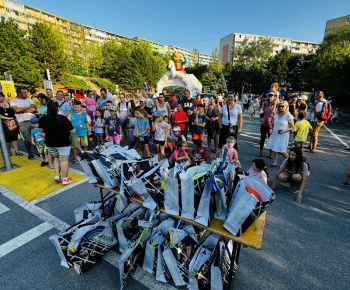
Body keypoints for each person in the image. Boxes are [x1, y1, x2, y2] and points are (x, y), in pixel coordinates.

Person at [39, 100, 76, 185]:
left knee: (56, 157)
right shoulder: (63, 118)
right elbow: (71, 129)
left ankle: (57, 175)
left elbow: (41, 130)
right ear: (57, 108)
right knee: (63, 160)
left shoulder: (43, 119)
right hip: (63, 142)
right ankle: (65, 178)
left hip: (50, 143)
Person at [265, 101, 294, 167]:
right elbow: (272, 124)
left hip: (283, 134)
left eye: (282, 106)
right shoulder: (276, 115)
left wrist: (285, 130)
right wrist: (271, 129)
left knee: (282, 150)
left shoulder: (288, 116)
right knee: (274, 148)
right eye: (279, 106)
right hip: (275, 133)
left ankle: (291, 163)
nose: (281, 107)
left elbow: (292, 127)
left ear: (286, 107)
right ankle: (274, 162)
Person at [9, 87, 36, 159]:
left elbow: (33, 109)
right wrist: (27, 108)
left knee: (36, 137)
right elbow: (16, 110)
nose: (26, 94)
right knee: (27, 138)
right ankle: (30, 153)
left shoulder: (29, 99)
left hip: (33, 120)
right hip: (22, 121)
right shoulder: (13, 101)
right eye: (24, 93)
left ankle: (37, 152)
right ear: (19, 93)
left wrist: (22, 109)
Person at [258, 92, 277, 157]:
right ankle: (260, 152)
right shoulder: (264, 104)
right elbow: (261, 112)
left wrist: (274, 106)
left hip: (271, 125)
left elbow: (274, 113)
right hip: (264, 123)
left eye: (272, 96)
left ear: (274, 97)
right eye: (269, 96)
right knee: (262, 139)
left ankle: (271, 154)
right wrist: (261, 111)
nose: (270, 98)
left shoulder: (275, 105)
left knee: (270, 139)